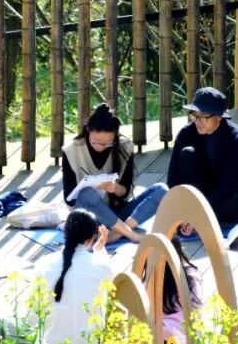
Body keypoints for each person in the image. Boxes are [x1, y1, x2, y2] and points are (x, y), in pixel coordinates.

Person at [18, 209, 117, 344]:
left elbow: (32, 317)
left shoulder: (44, 263)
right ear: (92, 239)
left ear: (65, 232)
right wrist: (99, 252)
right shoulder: (102, 266)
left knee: (9, 320)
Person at [63, 103, 168, 244]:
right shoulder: (71, 150)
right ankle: (131, 235)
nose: (101, 147)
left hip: (117, 214)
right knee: (86, 193)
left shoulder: (124, 147)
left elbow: (126, 192)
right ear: (88, 131)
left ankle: (117, 233)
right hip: (88, 219)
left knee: (162, 190)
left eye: (108, 142)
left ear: (115, 136)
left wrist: (115, 188)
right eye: (96, 142)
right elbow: (69, 199)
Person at [167, 87, 238, 227]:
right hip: (199, 189)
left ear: (219, 117)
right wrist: (179, 209)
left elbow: (234, 183)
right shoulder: (186, 133)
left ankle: (199, 219)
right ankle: (194, 217)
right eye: (194, 115)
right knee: (187, 153)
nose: (198, 121)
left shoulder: (237, 139)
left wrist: (200, 213)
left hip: (226, 191)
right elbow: (173, 178)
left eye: (203, 116)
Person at [160, 235, 203, 344]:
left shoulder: (152, 279)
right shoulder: (190, 277)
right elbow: (197, 309)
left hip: (168, 338)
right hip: (189, 336)